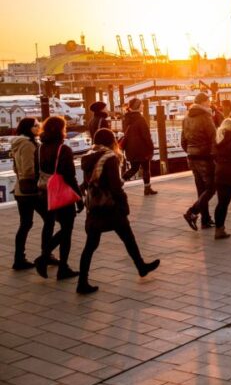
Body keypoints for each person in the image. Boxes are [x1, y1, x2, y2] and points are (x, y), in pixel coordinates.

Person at [77, 128, 160, 294]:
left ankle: (82, 281)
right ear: (111, 141)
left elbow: (87, 182)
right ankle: (141, 266)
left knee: (91, 245)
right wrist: (123, 204)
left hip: (94, 206)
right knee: (128, 238)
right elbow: (115, 186)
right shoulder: (109, 158)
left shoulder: (89, 157)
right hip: (110, 206)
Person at [35, 116, 82, 280]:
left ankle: (46, 257)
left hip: (44, 193)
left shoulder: (39, 149)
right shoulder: (63, 149)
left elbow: (36, 172)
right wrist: (79, 197)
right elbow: (69, 176)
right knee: (67, 230)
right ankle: (57, 264)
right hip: (61, 194)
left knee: (55, 226)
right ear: (61, 130)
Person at [9, 118, 50, 270]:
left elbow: (16, 168)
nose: (39, 127)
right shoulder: (27, 144)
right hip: (31, 191)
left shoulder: (19, 143)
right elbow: (28, 169)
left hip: (21, 190)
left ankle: (19, 259)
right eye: (36, 125)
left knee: (26, 223)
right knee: (49, 219)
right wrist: (41, 176)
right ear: (29, 128)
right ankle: (46, 254)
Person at [181, 93, 217, 230]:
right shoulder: (205, 117)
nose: (210, 103)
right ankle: (191, 212)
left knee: (201, 189)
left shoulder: (186, 118)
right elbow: (214, 137)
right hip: (204, 156)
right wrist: (214, 155)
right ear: (203, 102)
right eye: (209, 101)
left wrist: (190, 150)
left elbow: (183, 140)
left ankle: (205, 220)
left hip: (192, 156)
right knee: (211, 188)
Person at [121, 98, 157, 195]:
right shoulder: (140, 119)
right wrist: (151, 147)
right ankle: (147, 188)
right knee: (146, 168)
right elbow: (146, 136)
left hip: (130, 148)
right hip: (142, 149)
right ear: (137, 106)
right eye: (141, 104)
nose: (143, 106)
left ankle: (120, 183)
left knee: (134, 168)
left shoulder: (126, 118)